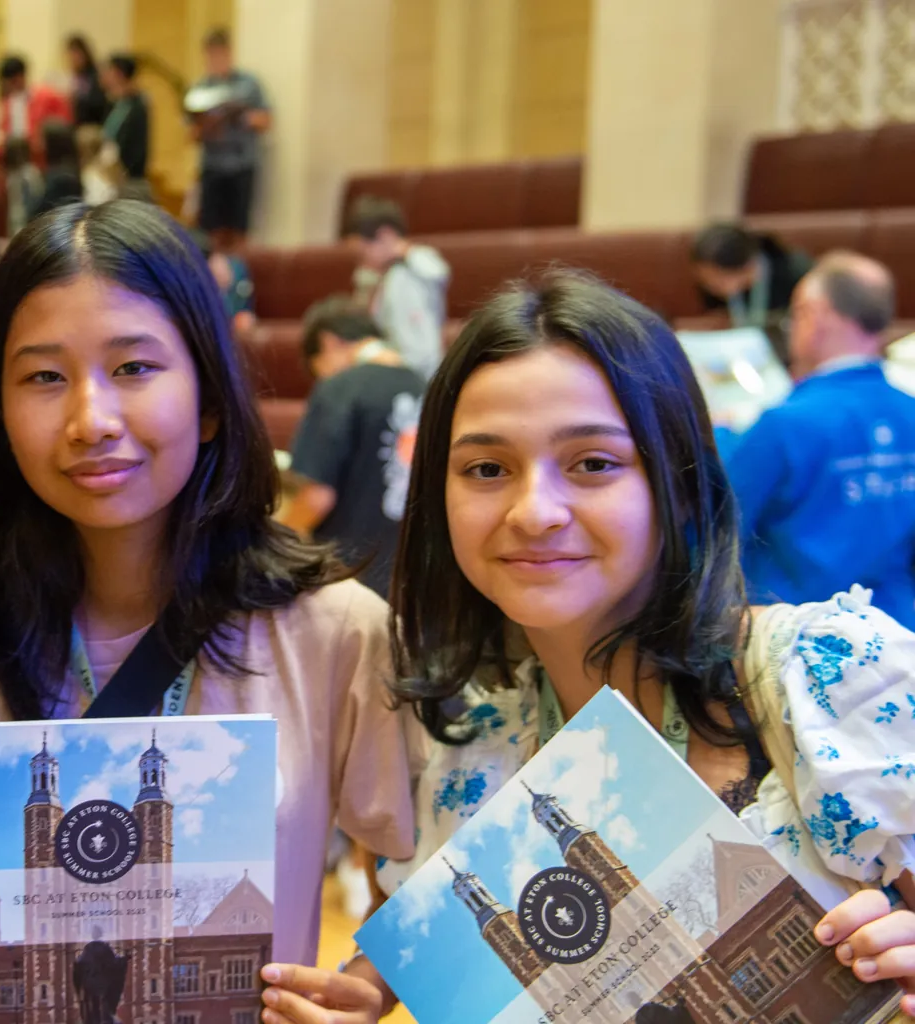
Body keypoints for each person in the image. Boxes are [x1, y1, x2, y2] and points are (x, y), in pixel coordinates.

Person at [338, 271, 915, 1021]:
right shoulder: (464, 753)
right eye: (487, 469)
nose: (535, 511)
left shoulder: (833, 678)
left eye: (593, 464)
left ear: (678, 481)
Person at [0, 200, 415, 983]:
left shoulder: (338, 633)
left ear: (210, 399)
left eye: (133, 369)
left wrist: (366, 989)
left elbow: (432, 867)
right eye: (45, 377)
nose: (91, 420)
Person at [727, 252, 915, 628]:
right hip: (898, 634)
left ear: (813, 315)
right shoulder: (909, 410)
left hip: (799, 639)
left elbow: (715, 533)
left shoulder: (784, 423)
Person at [280, 298, 424, 597]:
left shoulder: (340, 387)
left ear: (328, 342)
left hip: (348, 576)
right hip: (412, 579)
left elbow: (317, 496)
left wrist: (278, 541)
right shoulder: (426, 386)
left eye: (318, 369)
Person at [344, 196, 450, 382]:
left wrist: (369, 352)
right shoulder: (388, 275)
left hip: (414, 382)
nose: (361, 265)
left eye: (361, 254)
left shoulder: (405, 278)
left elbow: (419, 355)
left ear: (386, 236)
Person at [185, 28, 269, 255]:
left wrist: (242, 117)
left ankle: (238, 271)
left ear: (229, 53)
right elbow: (190, 134)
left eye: (219, 54)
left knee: (239, 227)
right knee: (210, 228)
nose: (215, 60)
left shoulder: (248, 84)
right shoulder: (200, 89)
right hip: (213, 165)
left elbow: (266, 120)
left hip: (241, 164)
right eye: (210, 55)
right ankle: (214, 267)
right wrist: (206, 125)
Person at [691, 222, 814, 334]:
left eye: (718, 280)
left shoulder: (796, 273)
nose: (709, 285)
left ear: (745, 267)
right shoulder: (712, 290)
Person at [0, 54, 72, 167]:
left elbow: (64, 126)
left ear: (19, 77)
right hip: (15, 157)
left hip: (44, 159)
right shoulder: (7, 102)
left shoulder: (48, 96)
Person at [100, 53, 150, 191]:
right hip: (110, 175)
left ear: (119, 74)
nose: (104, 75)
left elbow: (137, 149)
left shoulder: (137, 106)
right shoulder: (114, 103)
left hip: (127, 179)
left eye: (108, 71)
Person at [29, 118, 82, 219]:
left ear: (52, 142)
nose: (36, 142)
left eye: (41, 138)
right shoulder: (56, 169)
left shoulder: (63, 176)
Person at [64, 34, 109, 128]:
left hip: (93, 124)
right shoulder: (76, 76)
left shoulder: (96, 75)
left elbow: (97, 102)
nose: (73, 59)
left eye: (76, 54)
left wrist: (76, 99)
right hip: (78, 124)